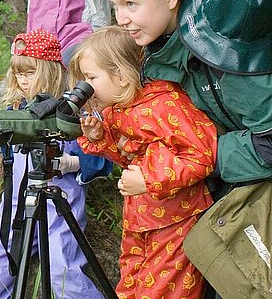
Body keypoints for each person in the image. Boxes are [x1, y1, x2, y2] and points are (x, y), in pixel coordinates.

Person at [103, 0, 272, 296]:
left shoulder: (228, 44)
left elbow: (268, 139)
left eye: (131, 3)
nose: (122, 19)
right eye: (116, 6)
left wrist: (203, 156)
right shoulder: (158, 47)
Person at [70, 25, 217, 299]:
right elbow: (126, 155)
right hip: (139, 219)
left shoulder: (165, 104)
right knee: (131, 284)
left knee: (163, 291)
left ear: (121, 76)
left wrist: (148, 180)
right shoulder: (118, 110)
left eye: (91, 77)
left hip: (176, 220)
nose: (86, 88)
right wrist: (99, 137)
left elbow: (201, 154)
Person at [0, 28, 111, 299]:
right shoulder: (17, 110)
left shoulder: (70, 111)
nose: (23, 81)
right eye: (18, 73)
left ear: (50, 70)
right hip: (17, 202)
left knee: (64, 271)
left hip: (59, 201)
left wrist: (71, 163)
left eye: (29, 72)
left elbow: (101, 160)